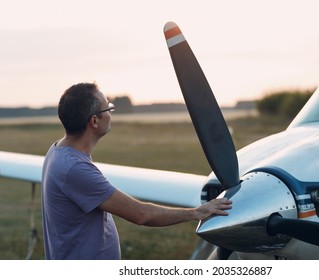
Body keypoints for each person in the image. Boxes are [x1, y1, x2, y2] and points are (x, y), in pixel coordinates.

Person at [41, 82, 232, 260]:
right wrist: (197, 213)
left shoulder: (58, 149)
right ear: (94, 121)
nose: (111, 112)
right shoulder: (74, 168)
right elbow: (141, 214)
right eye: (108, 108)